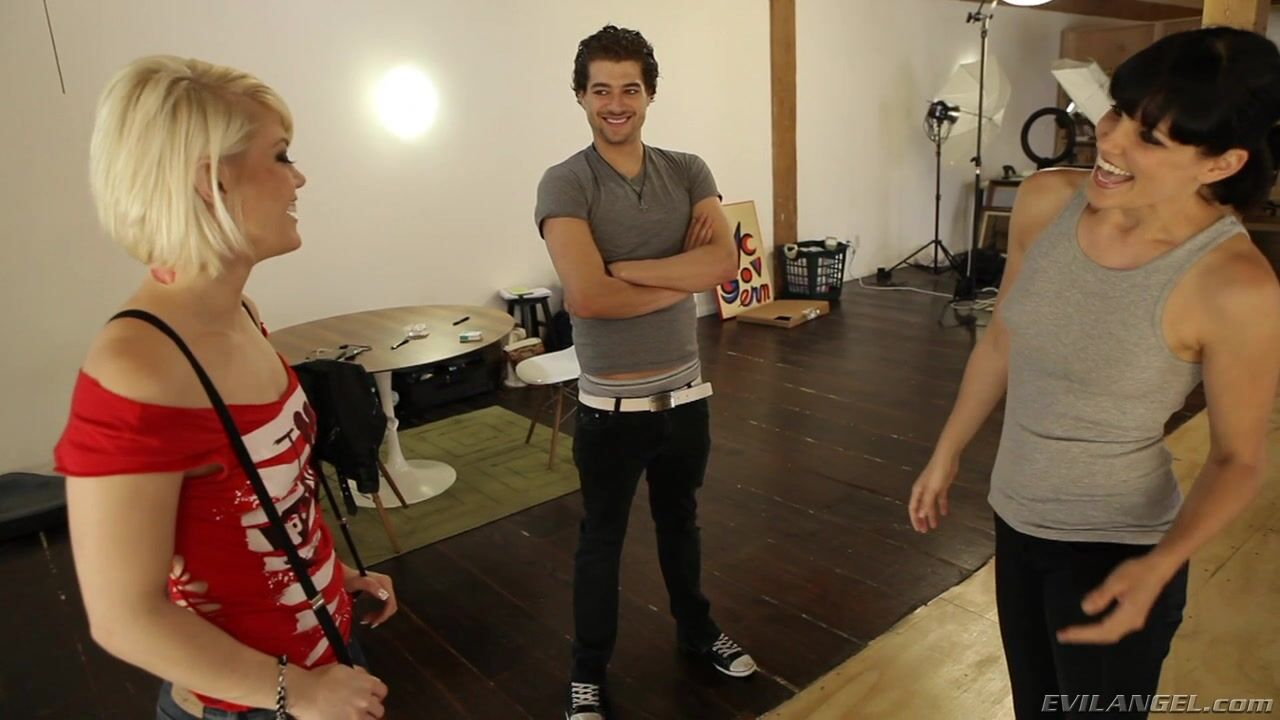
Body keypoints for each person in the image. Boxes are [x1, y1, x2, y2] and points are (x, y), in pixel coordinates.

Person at [908, 27, 1280, 718]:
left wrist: (1159, 568)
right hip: (1015, 519)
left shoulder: (1234, 285)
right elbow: (1002, 339)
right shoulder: (1047, 199)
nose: (1110, 141)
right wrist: (947, 451)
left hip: (1119, 551)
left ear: (1221, 163)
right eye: (1118, 113)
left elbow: (1238, 460)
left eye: (1150, 138)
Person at [54, 56, 397, 720]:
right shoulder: (137, 368)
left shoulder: (241, 312)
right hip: (251, 703)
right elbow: (124, 617)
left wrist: (332, 579)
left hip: (326, 660)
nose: (299, 177)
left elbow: (264, 502)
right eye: (281, 155)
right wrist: (302, 691)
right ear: (211, 180)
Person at [535, 25, 756, 720]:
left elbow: (724, 264)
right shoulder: (567, 182)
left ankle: (696, 630)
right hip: (611, 410)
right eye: (601, 89)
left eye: (629, 88)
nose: (615, 103)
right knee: (600, 543)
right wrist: (676, 277)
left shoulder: (688, 170)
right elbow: (586, 298)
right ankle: (586, 671)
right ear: (580, 96)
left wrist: (625, 269)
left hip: (687, 396)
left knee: (680, 523)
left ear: (650, 94)